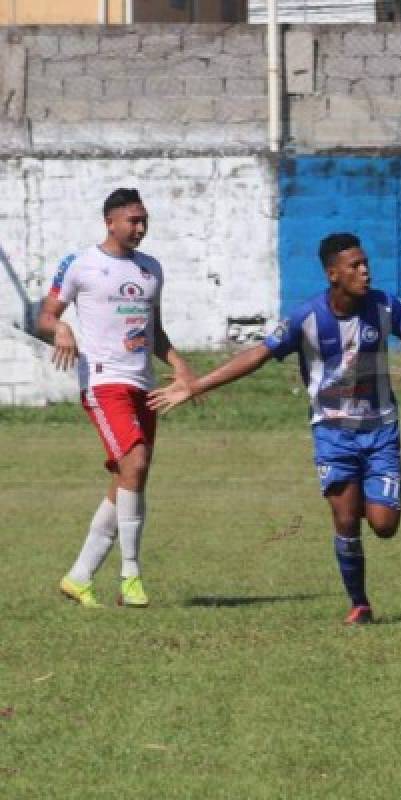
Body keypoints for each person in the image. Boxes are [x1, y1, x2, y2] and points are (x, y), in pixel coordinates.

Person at [149, 232, 401, 624]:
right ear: (333, 274)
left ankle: (368, 498)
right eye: (355, 266)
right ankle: (360, 603)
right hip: (332, 431)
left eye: (366, 264)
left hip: (381, 430)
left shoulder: (384, 306)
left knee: (384, 524)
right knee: (346, 519)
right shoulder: (307, 318)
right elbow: (257, 355)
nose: (365, 271)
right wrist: (196, 385)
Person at [37, 187, 197, 609]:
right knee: (136, 461)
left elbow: (154, 333)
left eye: (145, 220)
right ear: (110, 221)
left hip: (143, 385)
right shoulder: (80, 264)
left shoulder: (151, 270)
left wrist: (179, 365)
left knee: (130, 477)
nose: (141, 228)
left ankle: (79, 577)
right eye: (133, 220)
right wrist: (62, 329)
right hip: (103, 382)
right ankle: (131, 575)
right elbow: (45, 314)